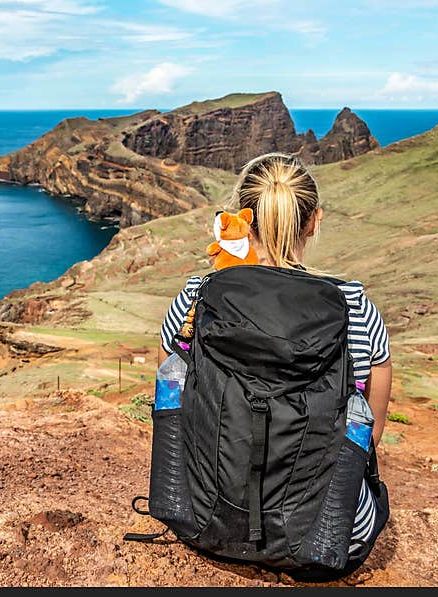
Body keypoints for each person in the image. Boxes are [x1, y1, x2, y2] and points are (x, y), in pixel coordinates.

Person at [159, 152, 393, 553]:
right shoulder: (356, 309)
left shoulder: (196, 299)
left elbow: (172, 411)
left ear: (242, 218)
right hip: (331, 539)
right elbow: (370, 435)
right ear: (315, 220)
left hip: (200, 520)